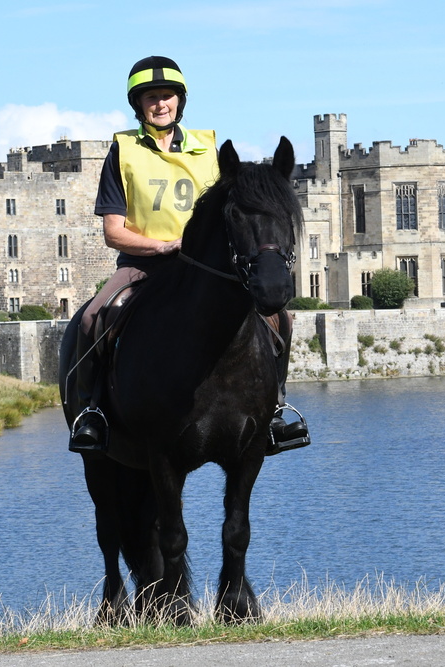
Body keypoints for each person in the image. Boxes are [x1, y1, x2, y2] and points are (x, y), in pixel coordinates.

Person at [68, 56, 310, 456]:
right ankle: (92, 411)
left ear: (179, 101)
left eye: (167, 96)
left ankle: (276, 409)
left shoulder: (208, 148)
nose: (160, 104)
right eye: (151, 97)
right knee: (96, 315)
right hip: (143, 266)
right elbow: (114, 231)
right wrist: (161, 246)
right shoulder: (122, 151)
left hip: (206, 268)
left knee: (279, 316)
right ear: (138, 104)